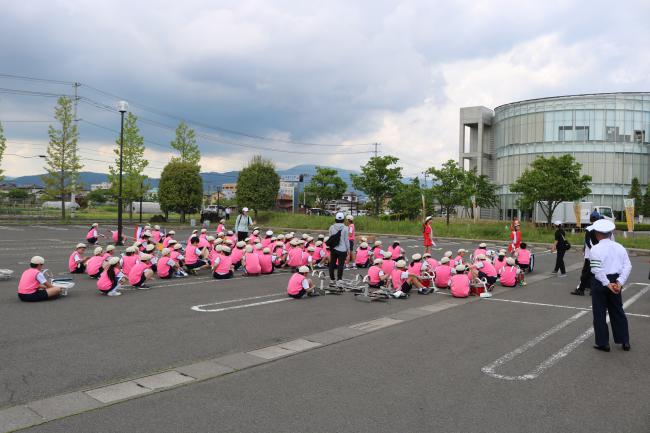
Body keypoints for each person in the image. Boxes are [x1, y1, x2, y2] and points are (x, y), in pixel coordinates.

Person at [589, 219, 632, 352]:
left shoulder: (595, 249)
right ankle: (624, 341)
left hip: (600, 282)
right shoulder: (620, 247)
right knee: (617, 310)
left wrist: (607, 284)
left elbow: (597, 270)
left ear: (597, 233)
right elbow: (628, 266)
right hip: (616, 280)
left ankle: (603, 343)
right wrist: (619, 282)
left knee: (599, 313)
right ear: (610, 233)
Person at [572, 211, 602, 296]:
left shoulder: (589, 229)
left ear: (590, 219)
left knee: (585, 273)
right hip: (600, 255)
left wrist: (592, 250)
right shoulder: (601, 228)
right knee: (595, 272)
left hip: (590, 255)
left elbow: (588, 242)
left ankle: (581, 290)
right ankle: (593, 289)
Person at [327, 212, 350, 287]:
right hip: (342, 249)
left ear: (335, 219)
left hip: (333, 248)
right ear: (343, 219)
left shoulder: (331, 227)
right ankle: (339, 279)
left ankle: (332, 279)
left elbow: (330, 238)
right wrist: (348, 250)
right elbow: (346, 240)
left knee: (332, 264)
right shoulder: (346, 228)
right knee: (341, 264)